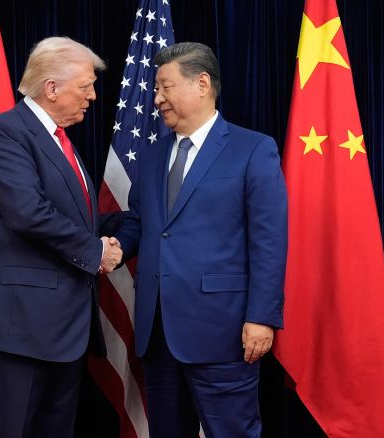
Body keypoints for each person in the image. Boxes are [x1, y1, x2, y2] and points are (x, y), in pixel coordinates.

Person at [112, 42, 288, 437]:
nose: (157, 99)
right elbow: (141, 222)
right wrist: (115, 248)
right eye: (155, 89)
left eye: (165, 87)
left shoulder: (253, 149)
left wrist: (262, 317)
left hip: (223, 331)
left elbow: (269, 242)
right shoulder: (152, 156)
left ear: (202, 83)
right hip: (157, 332)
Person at [0, 36, 122, 438]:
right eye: (85, 86)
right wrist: (94, 250)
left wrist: (129, 229)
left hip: (63, 327)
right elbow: (27, 213)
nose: (93, 96)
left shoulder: (59, 140)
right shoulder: (8, 131)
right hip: (18, 325)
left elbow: (76, 219)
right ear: (51, 88)